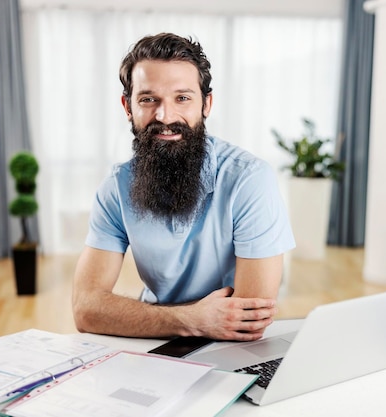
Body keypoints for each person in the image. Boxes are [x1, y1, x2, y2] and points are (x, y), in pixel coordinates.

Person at [72, 33, 295, 342]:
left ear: (206, 104)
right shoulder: (115, 188)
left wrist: (142, 316)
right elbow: (86, 308)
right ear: (128, 106)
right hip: (152, 340)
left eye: (182, 98)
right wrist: (193, 319)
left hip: (226, 347)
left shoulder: (250, 179)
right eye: (149, 99)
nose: (165, 116)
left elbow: (247, 320)